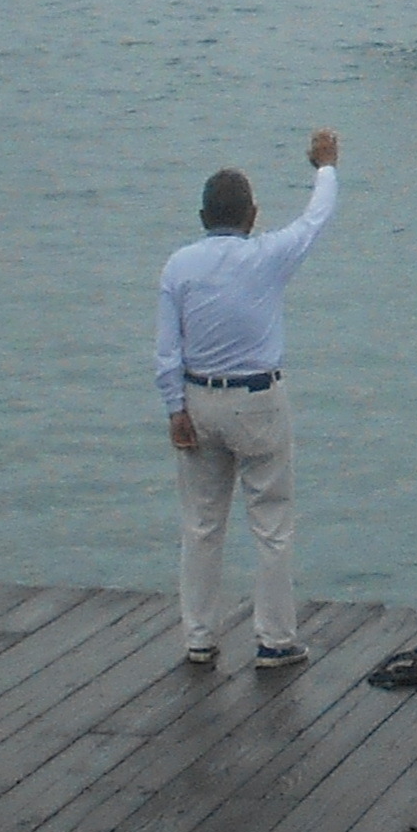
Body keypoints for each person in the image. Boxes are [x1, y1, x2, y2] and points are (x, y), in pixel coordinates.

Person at [157, 128, 344, 673]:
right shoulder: (268, 257)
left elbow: (167, 352)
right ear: (252, 215)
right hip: (259, 400)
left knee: (201, 525)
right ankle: (275, 640)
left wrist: (175, 409)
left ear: (201, 217)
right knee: (272, 525)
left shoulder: (178, 267)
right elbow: (316, 218)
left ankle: (198, 637)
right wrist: (325, 166)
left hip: (198, 398)